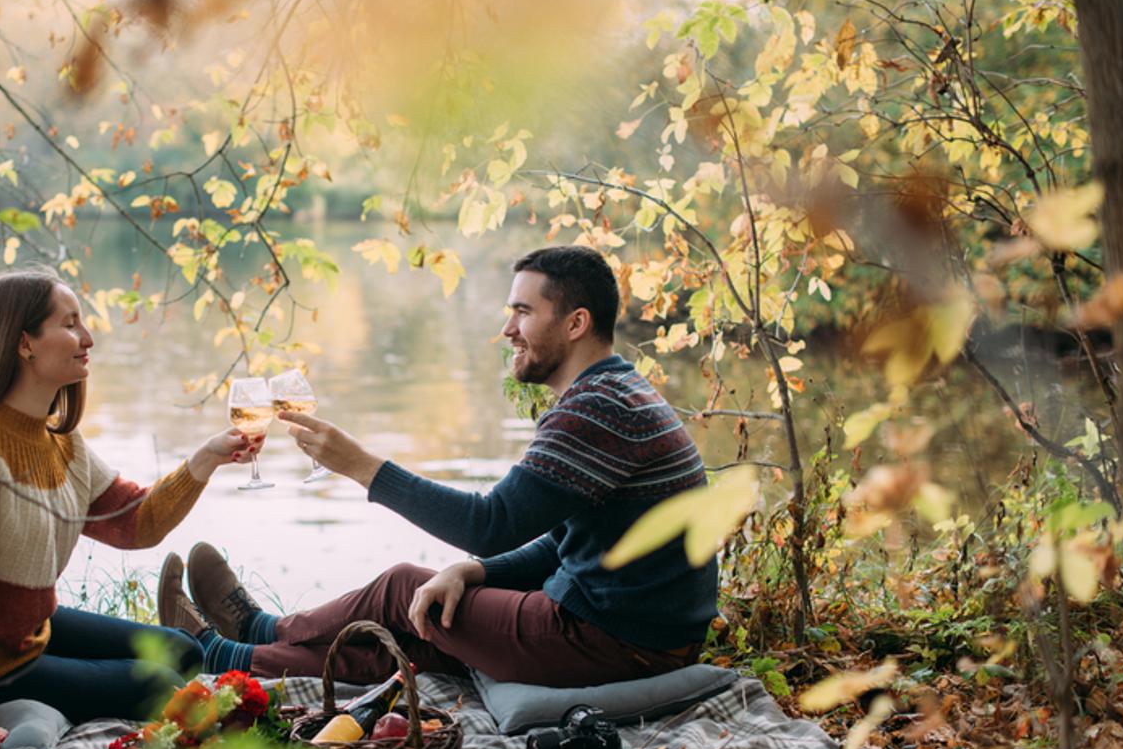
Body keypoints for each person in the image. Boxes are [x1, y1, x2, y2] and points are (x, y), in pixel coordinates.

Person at [156, 245, 717, 688]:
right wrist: (475, 572)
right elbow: (567, 540)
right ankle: (230, 656)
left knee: (404, 589)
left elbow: (490, 524)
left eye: (523, 311)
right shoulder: (614, 392)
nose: (507, 329)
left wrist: (360, 465)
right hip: (640, 633)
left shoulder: (597, 408)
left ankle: (259, 630)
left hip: (619, 641)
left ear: (575, 323)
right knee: (422, 633)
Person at [0, 268, 261, 749]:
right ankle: (14, 689)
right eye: (70, 325)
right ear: (25, 343)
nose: (87, 338)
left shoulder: (59, 442)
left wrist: (206, 458)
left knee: (183, 651)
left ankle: (62, 675)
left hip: (24, 628)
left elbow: (137, 523)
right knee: (162, 686)